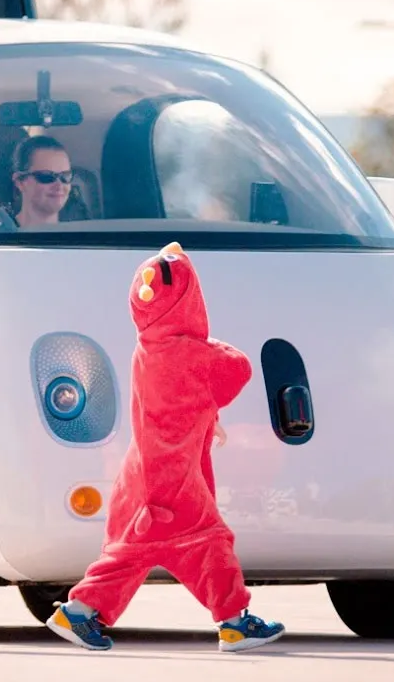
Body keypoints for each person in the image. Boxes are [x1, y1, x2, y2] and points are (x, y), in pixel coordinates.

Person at [45, 243, 285, 653]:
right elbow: (238, 367)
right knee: (211, 542)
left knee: (129, 554)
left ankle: (78, 611)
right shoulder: (192, 353)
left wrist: (207, 414)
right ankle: (234, 623)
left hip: (140, 477)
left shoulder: (148, 350)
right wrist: (208, 342)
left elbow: (180, 402)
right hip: (174, 482)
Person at [0, 134, 73, 231]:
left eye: (65, 176)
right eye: (46, 176)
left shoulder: (82, 234)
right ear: (20, 182)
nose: (59, 185)